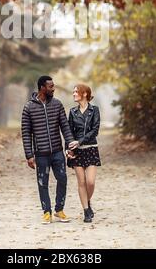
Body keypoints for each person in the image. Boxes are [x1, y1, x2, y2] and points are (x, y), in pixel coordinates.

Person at [21, 75, 75, 224]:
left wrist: (69, 145)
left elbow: (65, 126)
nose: (53, 88)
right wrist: (29, 155)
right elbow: (26, 133)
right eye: (51, 86)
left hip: (57, 151)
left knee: (62, 179)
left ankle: (59, 210)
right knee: (42, 183)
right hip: (41, 154)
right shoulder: (29, 107)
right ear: (42, 88)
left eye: (53, 86)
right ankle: (46, 212)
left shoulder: (57, 104)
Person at [67, 84, 101, 223]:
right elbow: (68, 132)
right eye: (73, 91)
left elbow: (95, 130)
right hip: (77, 152)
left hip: (91, 148)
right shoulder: (72, 112)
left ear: (85, 94)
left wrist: (80, 141)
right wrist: (68, 149)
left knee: (90, 182)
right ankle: (86, 211)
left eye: (76, 91)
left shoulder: (95, 110)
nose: (74, 93)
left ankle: (87, 201)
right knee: (81, 182)